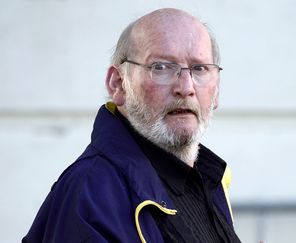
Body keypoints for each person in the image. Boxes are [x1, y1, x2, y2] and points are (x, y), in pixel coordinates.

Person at [23, 8, 241, 243]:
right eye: (161, 67)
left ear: (216, 90)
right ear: (118, 84)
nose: (186, 87)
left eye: (199, 69)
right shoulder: (90, 191)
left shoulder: (209, 181)